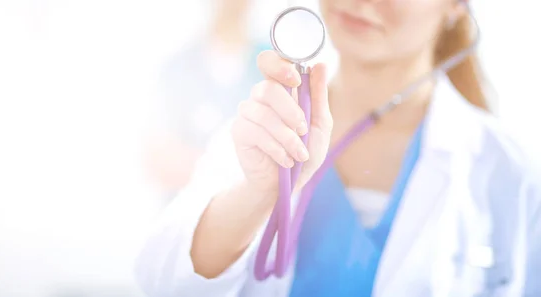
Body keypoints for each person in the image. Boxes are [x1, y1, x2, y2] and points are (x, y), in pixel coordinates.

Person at [136, 0, 541, 296]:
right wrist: (257, 195)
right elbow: (163, 281)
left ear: (455, 5)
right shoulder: (258, 132)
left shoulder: (510, 171)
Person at [142, 0, 269, 200]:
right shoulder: (177, 67)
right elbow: (158, 159)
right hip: (182, 219)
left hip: (248, 223)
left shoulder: (272, 68)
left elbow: (277, 168)